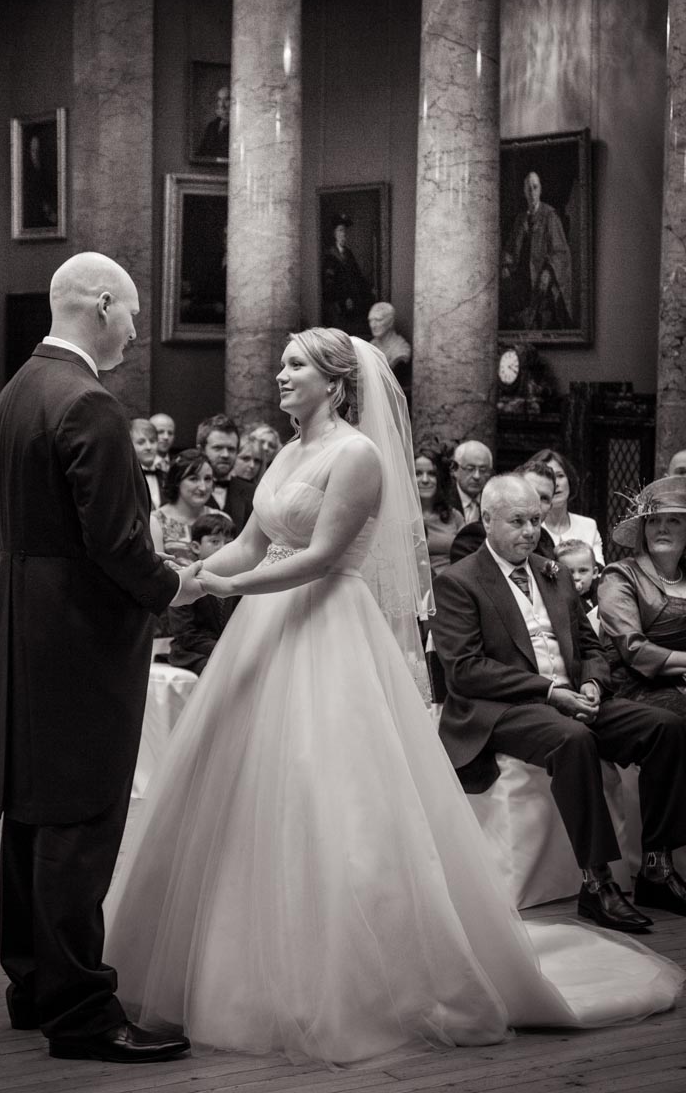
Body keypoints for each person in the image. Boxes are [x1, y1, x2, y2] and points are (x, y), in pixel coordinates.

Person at [103, 329, 683, 1065]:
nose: (279, 374)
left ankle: (343, 969)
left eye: (295, 365)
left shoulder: (357, 455)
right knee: (236, 780)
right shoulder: (287, 453)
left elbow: (319, 558)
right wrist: (183, 581)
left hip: (325, 625)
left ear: (335, 382)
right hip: (262, 627)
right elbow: (252, 543)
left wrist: (225, 585)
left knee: (325, 788)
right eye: (281, 363)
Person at [0, 252, 203, 1064]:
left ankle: (33, 984)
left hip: (29, 625)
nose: (138, 332)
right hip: (81, 635)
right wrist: (174, 585)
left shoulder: (19, 390)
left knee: (33, 810)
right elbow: (115, 542)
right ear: (103, 303)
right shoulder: (88, 402)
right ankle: (81, 1012)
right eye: (135, 313)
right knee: (80, 817)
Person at [433, 473, 686, 935]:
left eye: (536, 520)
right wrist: (549, 691)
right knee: (573, 740)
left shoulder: (554, 572)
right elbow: (465, 670)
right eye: (517, 521)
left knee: (664, 727)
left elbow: (591, 646)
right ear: (487, 520)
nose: (530, 531)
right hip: (504, 708)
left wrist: (591, 683)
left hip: (573, 694)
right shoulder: (458, 581)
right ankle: (597, 882)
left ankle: (656, 865)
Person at [597, 476, 686, 719]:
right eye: (653, 520)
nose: (661, 528)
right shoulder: (620, 575)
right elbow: (633, 649)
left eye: (674, 520)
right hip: (635, 687)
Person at [167, 511, 239, 675]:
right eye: (215, 542)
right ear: (195, 547)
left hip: (230, 650)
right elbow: (186, 634)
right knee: (216, 671)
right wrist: (223, 650)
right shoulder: (185, 580)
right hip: (193, 651)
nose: (223, 548)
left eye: (229, 543)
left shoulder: (236, 580)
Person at [500, 171, 572, 331]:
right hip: (521, 284)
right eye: (529, 188)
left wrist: (548, 271)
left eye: (535, 187)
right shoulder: (520, 219)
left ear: (540, 190)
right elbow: (510, 249)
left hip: (541, 285)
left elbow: (561, 252)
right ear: (524, 192)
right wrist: (505, 265)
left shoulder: (550, 216)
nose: (532, 192)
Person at [528, 448, 604, 565]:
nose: (556, 483)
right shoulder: (530, 528)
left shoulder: (589, 526)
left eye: (560, 475)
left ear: (569, 480)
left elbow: (599, 571)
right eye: (549, 477)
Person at [151, 449, 215, 561]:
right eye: (194, 479)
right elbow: (155, 568)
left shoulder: (221, 518)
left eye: (208, 479)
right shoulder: (155, 521)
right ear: (177, 481)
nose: (203, 487)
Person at [197, 413, 254, 534]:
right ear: (201, 450)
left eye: (231, 449)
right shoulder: (185, 491)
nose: (225, 455)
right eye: (218, 448)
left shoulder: (252, 492)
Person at [414, 445, 463, 575]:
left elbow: (466, 557)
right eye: (418, 474)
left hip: (450, 582)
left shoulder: (455, 516)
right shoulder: (402, 519)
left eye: (432, 474)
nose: (425, 480)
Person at [321, 215, 373, 338]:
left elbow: (357, 275)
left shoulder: (348, 254)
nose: (343, 234)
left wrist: (369, 288)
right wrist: (343, 299)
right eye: (340, 230)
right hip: (337, 303)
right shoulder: (329, 255)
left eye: (344, 231)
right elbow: (329, 284)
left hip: (352, 300)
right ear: (334, 234)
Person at [367, 301, 411, 389]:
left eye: (378, 320)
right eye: (370, 320)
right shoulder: (370, 346)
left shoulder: (401, 349)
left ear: (390, 322)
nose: (373, 325)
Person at [449, 439, 492, 522]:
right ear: (455, 470)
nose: (477, 476)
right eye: (470, 469)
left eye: (483, 470)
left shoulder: (493, 502)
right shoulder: (443, 501)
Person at [556, 538, 600, 611]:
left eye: (583, 571)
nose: (576, 577)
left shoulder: (604, 594)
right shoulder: (560, 603)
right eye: (569, 572)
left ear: (594, 573)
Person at [130, 418, 164, 510]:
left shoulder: (166, 477)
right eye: (141, 442)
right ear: (130, 446)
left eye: (152, 441)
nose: (148, 447)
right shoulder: (125, 479)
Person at [196, 86, 230, 159]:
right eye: (220, 99)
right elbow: (201, 152)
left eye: (226, 99)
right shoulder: (212, 126)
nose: (222, 105)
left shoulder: (237, 128)